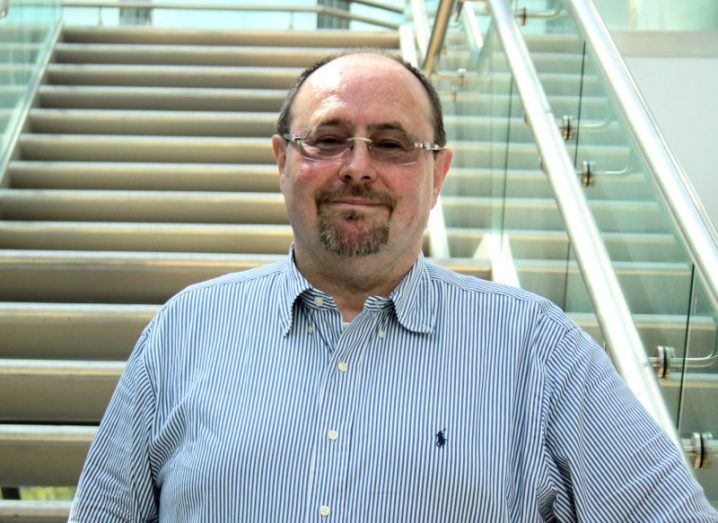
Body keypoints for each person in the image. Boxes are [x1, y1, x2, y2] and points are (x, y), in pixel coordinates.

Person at [69, 50, 718, 521]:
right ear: (282, 160)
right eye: (328, 139)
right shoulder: (186, 331)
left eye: (391, 144)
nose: (358, 167)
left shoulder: (538, 350)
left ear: (438, 173)